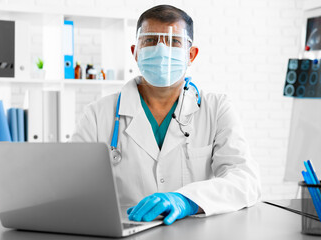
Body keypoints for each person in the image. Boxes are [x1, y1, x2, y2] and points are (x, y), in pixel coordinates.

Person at [71, 5, 261, 225]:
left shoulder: (217, 108)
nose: (161, 50)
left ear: (191, 54)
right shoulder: (97, 114)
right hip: (125, 231)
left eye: (174, 41)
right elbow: (70, 184)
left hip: (194, 232)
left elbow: (245, 180)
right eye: (151, 40)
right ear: (135, 51)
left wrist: (186, 200)